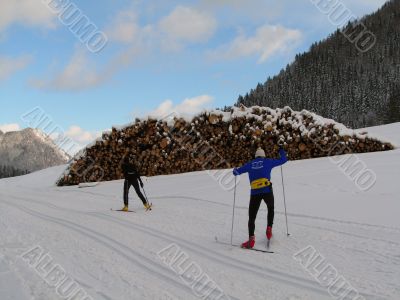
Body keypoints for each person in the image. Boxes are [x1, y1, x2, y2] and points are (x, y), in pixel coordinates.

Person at [233, 146, 287, 249]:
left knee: (252, 217)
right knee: (270, 208)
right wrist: (281, 151)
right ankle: (269, 228)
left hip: (255, 193)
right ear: (263, 155)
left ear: (255, 156)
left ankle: (251, 240)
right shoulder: (268, 161)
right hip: (267, 190)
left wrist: (235, 170)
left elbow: (236, 172)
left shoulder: (249, 164)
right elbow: (283, 160)